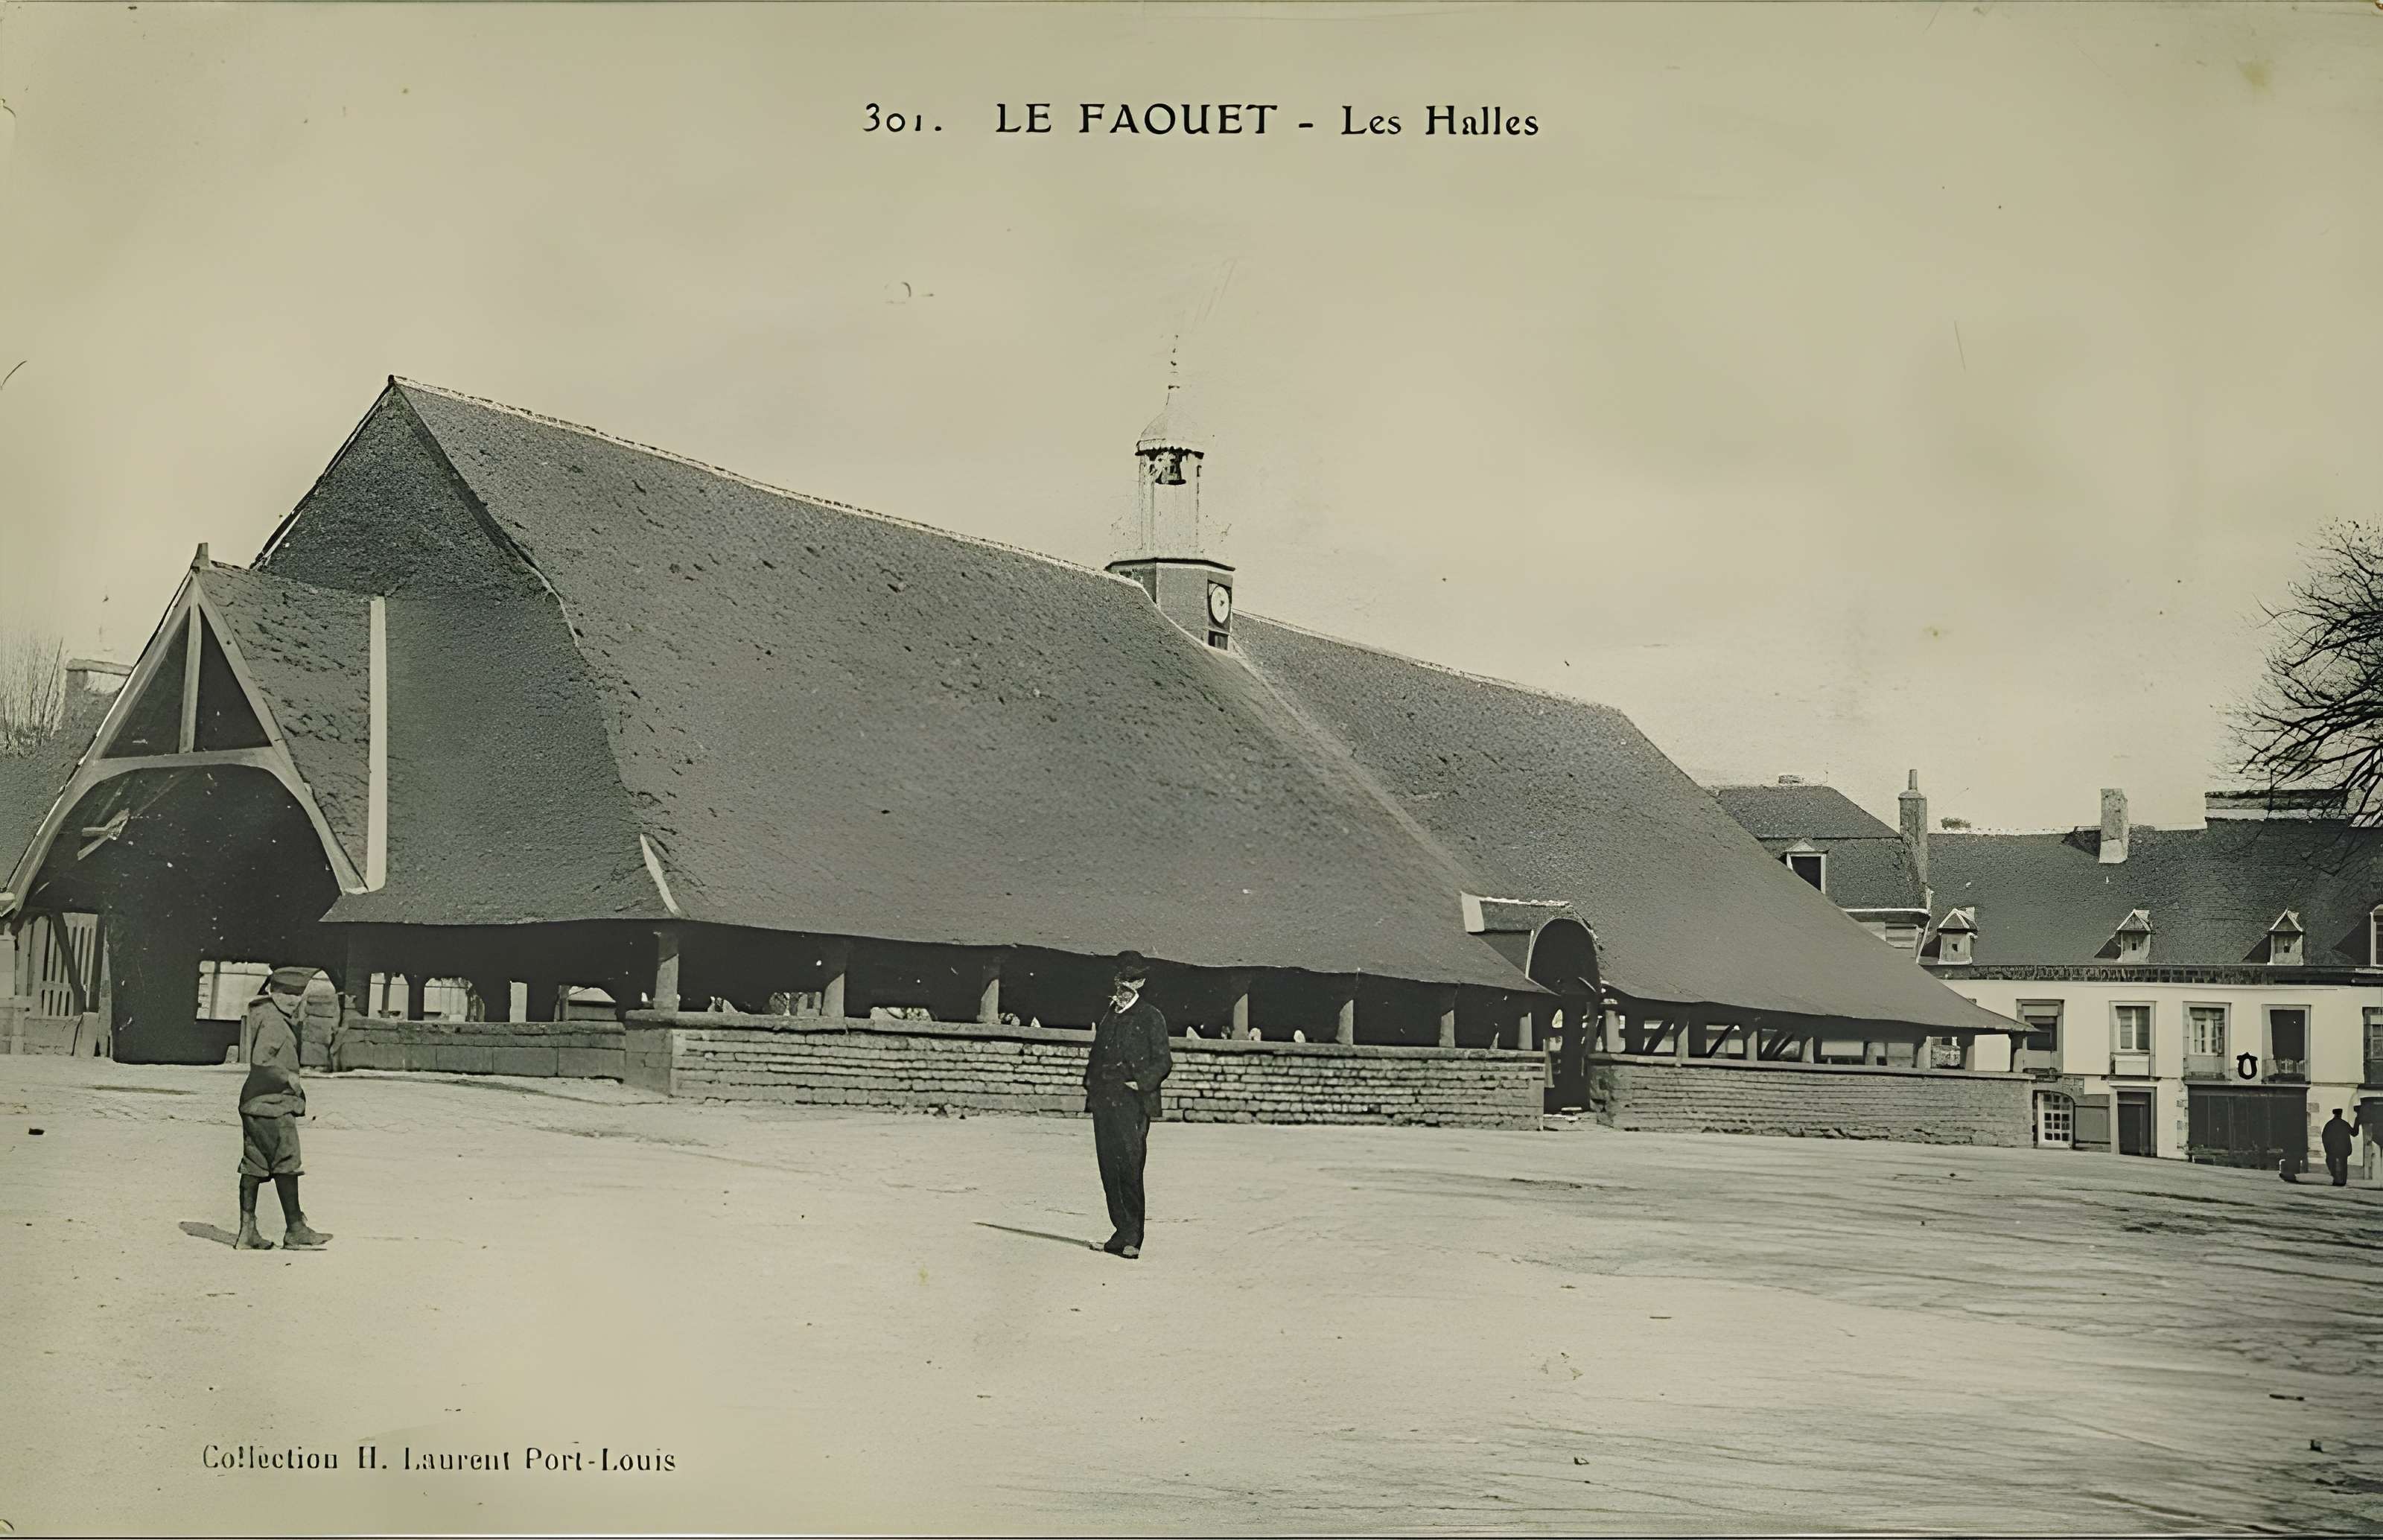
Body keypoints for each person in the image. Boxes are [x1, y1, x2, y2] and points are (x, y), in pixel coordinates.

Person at [235, 967, 333, 1251]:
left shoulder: (265, 1014)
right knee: (287, 1164)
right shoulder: (275, 1022)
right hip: (273, 1104)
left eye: (296, 994)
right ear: (271, 991)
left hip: (254, 1104)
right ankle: (295, 1229)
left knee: (254, 1166)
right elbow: (263, 1061)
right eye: (285, 993)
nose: (291, 1000)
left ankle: (247, 1232)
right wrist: (290, 1079)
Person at [1084, 951, 1171, 1260]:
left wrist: (1141, 1083)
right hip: (1105, 1101)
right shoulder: (1110, 1014)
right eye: (1120, 979)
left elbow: (1163, 1061)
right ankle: (1119, 1234)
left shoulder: (1151, 1017)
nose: (1123, 985)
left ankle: (1134, 1238)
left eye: (1131, 980)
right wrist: (1091, 1090)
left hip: (1133, 1103)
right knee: (1109, 1167)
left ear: (1141, 982)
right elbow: (1097, 1056)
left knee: (1130, 1167)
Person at [2322, 1109, 2356, 1188]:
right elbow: (2354, 1133)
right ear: (2341, 1114)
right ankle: (2343, 1181)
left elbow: (2324, 1137)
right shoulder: (2345, 1124)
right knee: (2343, 1165)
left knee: (2331, 1163)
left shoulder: (2329, 1124)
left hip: (2332, 1149)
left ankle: (2336, 1179)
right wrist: (2357, 1122)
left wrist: (2327, 1148)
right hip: (2343, 1149)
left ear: (2334, 1114)